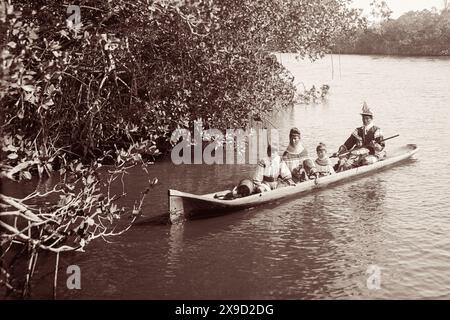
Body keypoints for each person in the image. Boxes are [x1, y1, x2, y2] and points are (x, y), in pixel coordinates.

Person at [336, 102, 386, 171]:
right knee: (342, 159)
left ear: (371, 119)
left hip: (372, 154)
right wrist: (340, 151)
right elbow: (348, 144)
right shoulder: (357, 130)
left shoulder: (377, 130)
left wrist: (375, 145)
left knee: (365, 161)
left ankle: (353, 167)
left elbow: (381, 147)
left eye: (367, 118)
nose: (364, 120)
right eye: (363, 118)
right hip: (357, 153)